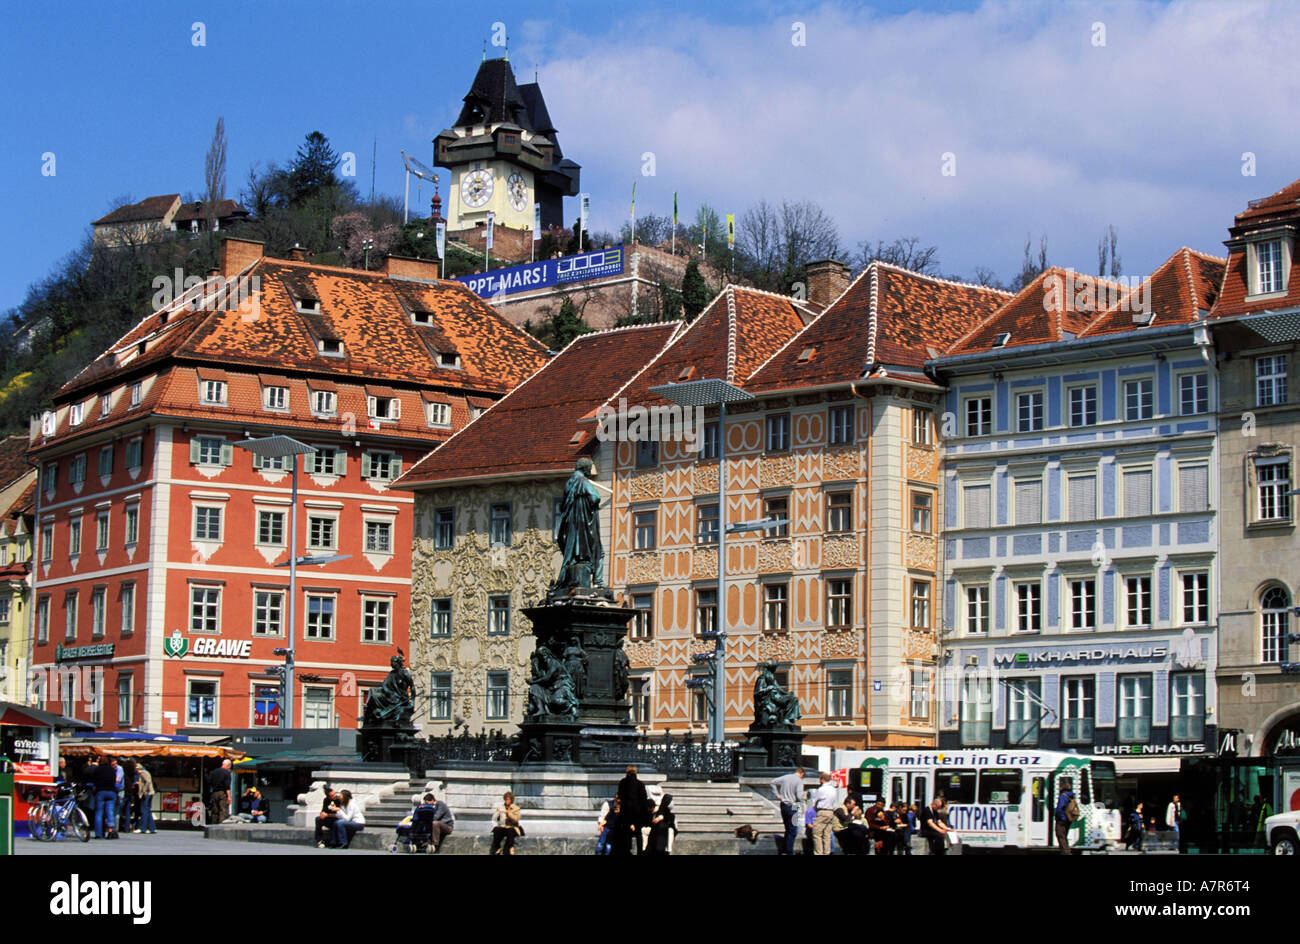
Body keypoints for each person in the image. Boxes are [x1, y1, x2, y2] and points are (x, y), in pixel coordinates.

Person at [770, 766, 805, 855]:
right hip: (793, 806)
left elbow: (772, 782)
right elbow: (799, 796)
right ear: (802, 774)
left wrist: (777, 795)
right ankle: (788, 851)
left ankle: (784, 849)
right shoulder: (799, 781)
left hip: (783, 805)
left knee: (787, 828)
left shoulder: (786, 777)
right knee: (793, 830)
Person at [616, 765, 651, 854]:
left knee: (626, 835)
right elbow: (644, 799)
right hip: (638, 813)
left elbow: (620, 796)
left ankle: (627, 852)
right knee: (639, 834)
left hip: (626, 812)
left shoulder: (622, 783)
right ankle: (640, 852)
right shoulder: (640, 784)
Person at [810, 771, 838, 855]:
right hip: (830, 811)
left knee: (816, 833)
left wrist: (815, 808)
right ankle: (827, 852)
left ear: (822, 779)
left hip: (822, 811)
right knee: (827, 834)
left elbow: (814, 800)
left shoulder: (821, 789)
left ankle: (819, 853)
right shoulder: (833, 789)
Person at [91, 755, 119, 840]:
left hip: (100, 792)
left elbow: (94, 780)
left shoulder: (97, 769)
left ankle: (98, 834)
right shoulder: (112, 770)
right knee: (110, 812)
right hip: (111, 792)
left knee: (99, 813)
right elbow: (115, 781)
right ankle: (110, 831)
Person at [490, 790, 523, 854]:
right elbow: (496, 819)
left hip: (512, 827)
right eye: (505, 799)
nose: (506, 801)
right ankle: (497, 847)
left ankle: (511, 847)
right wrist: (498, 815)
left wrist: (509, 814)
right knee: (496, 830)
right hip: (503, 826)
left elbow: (516, 819)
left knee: (510, 831)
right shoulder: (500, 808)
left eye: (508, 799)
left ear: (511, 800)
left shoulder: (516, 808)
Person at [1055, 779, 1079, 855]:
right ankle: (1066, 851)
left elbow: (1060, 808)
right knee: (1064, 836)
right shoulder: (1071, 795)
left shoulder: (1063, 796)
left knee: (1060, 835)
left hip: (1062, 819)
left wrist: (1060, 817)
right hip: (1069, 819)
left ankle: (1065, 853)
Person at [208, 759, 232, 824]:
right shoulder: (227, 773)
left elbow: (209, 782)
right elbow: (227, 786)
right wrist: (229, 797)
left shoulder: (213, 772)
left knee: (215, 810)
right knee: (223, 810)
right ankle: (222, 826)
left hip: (214, 793)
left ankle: (213, 825)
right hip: (222, 793)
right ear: (228, 765)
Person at [134, 763, 156, 833]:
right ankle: (152, 828)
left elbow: (148, 781)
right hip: (150, 793)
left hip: (147, 793)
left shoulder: (143, 773)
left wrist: (144, 790)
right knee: (148, 810)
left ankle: (142, 828)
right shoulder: (146, 772)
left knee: (143, 810)